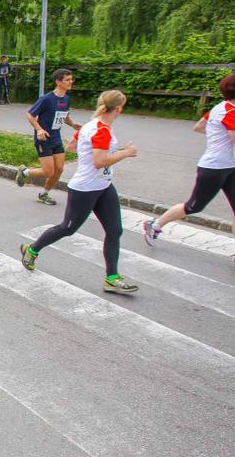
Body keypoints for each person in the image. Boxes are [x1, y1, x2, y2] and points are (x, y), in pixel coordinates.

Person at [21, 91, 139, 294]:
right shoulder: (100, 129)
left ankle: (111, 278)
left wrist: (98, 149)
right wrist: (126, 153)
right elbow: (99, 161)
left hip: (103, 186)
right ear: (118, 109)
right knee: (67, 228)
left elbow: (71, 146)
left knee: (114, 231)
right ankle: (31, 249)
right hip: (85, 189)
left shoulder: (91, 126)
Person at [144, 73, 235, 250]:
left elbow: (199, 127)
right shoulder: (230, 112)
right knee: (194, 206)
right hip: (214, 168)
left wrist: (217, 135)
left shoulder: (219, 108)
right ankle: (155, 225)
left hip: (230, 167)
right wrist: (220, 136)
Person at [16, 68, 82, 205]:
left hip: (56, 137)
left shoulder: (66, 99)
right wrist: (39, 129)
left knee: (59, 169)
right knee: (48, 172)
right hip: (43, 138)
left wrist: (73, 124)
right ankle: (24, 172)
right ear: (58, 82)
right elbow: (30, 115)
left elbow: (64, 115)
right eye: (67, 80)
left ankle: (44, 194)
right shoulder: (46, 99)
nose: (71, 82)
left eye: (71, 79)